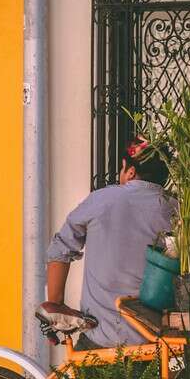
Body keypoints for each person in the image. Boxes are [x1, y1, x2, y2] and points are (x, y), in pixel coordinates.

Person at [41, 142, 173, 350]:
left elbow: (61, 248)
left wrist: (56, 305)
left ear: (130, 171)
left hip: (99, 336)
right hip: (151, 340)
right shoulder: (176, 210)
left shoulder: (101, 200)